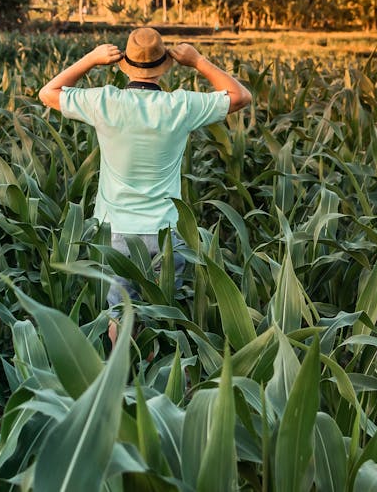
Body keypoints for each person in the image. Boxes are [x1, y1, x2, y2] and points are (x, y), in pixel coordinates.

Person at [39, 27, 252, 344]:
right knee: (160, 316)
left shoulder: (106, 102)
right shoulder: (180, 106)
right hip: (167, 233)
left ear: (124, 61)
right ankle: (157, 380)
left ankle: (122, 379)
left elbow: (47, 93)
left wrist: (92, 59)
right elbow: (241, 97)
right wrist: (198, 61)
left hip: (116, 232)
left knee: (119, 315)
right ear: (165, 63)